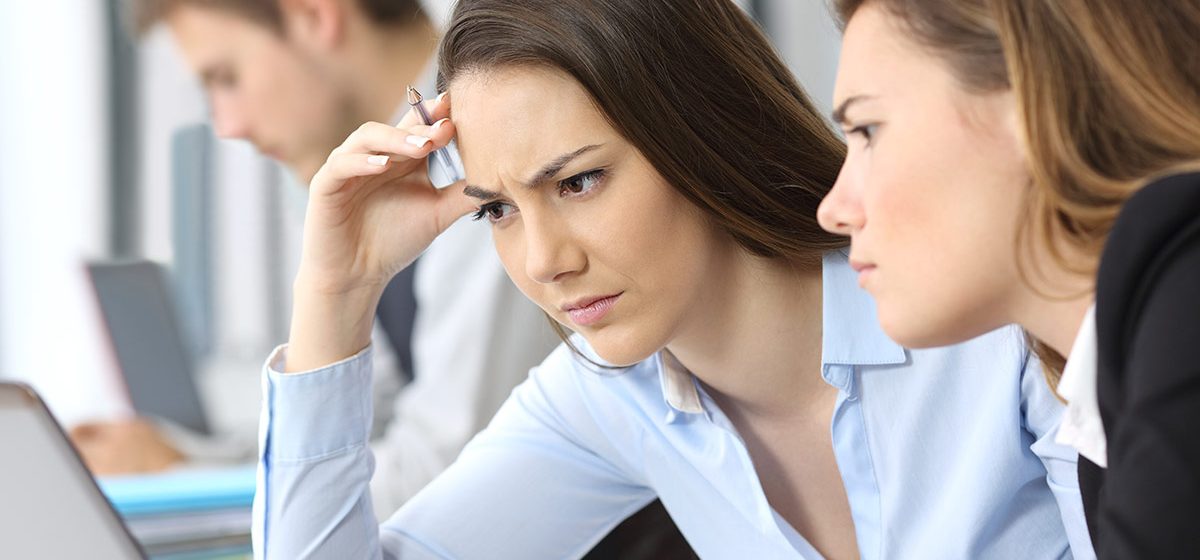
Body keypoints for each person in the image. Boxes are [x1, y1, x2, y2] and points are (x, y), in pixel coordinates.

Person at [255, 0, 1097, 557]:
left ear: (698, 134)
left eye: (578, 182)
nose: (545, 260)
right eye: (496, 211)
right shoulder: (606, 397)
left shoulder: (987, 323)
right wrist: (338, 292)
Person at [71, 0, 559, 520]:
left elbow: (445, 473)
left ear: (314, 15)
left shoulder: (488, 146)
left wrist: (208, 484)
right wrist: (187, 459)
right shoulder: (376, 169)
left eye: (225, 77)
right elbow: (367, 418)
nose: (226, 125)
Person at [817, 0, 1200, 556]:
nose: (834, 209)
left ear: (1037, 97)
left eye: (869, 130)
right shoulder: (1106, 431)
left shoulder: (1184, 296)